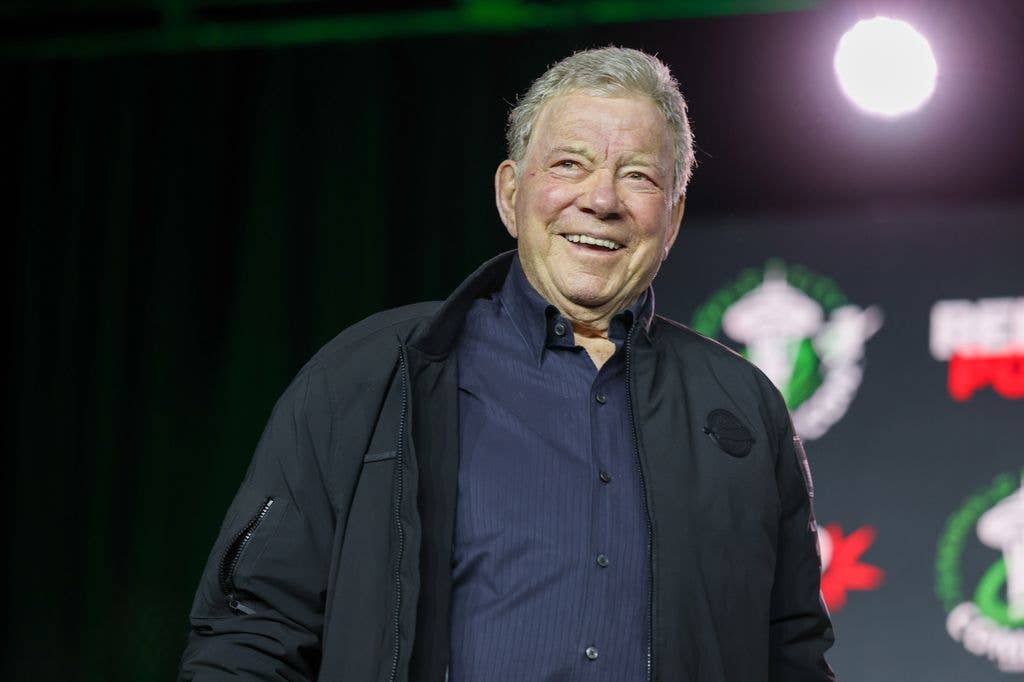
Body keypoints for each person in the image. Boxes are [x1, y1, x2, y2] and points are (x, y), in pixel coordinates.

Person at [180, 46, 835, 682]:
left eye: (639, 175)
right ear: (510, 194)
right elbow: (253, 635)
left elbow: (794, 657)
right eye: (570, 164)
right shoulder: (369, 377)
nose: (601, 199)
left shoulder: (745, 411)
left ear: (673, 216)